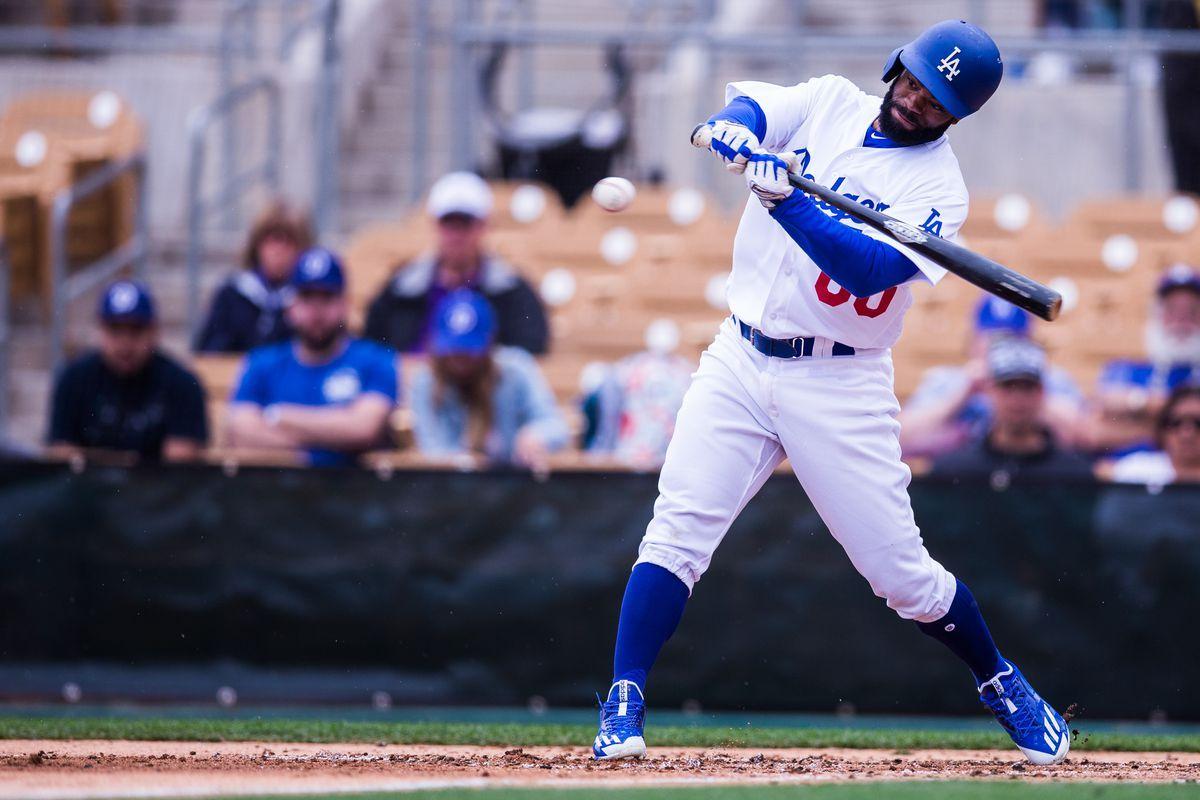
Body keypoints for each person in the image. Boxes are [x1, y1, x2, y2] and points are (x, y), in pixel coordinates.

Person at [592, 21, 1071, 767]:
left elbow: (870, 271)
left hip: (839, 381)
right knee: (678, 530)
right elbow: (753, 109)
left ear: (956, 115)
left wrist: (792, 206)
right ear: (895, 68)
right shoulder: (828, 102)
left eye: (935, 98)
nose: (915, 100)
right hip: (740, 356)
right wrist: (733, 131)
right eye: (912, 81)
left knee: (900, 575)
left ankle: (999, 678)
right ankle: (623, 698)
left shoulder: (937, 189)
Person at [227, 248, 398, 467]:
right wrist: (319, 450)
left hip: (354, 493)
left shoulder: (375, 360)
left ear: (345, 305)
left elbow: (364, 428)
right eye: (307, 297)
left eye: (326, 297)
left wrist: (280, 416)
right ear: (291, 306)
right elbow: (242, 431)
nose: (316, 310)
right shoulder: (262, 363)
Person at [364, 172, 550, 355]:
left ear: (483, 227)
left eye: (465, 224)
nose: (456, 235)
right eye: (449, 224)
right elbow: (373, 345)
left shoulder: (513, 291)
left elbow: (530, 350)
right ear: (435, 226)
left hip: (485, 385)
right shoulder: (400, 288)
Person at [899, 295, 1083, 457]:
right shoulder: (947, 381)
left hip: (1034, 478)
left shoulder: (1050, 378)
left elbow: (1083, 437)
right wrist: (963, 394)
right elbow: (901, 438)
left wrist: (1025, 387)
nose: (999, 348)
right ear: (972, 342)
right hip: (960, 483)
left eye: (1011, 338)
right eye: (992, 339)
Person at [47, 281, 207, 462]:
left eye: (135, 331)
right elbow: (61, 457)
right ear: (100, 331)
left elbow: (180, 467)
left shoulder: (182, 383)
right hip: (91, 488)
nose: (125, 343)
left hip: (159, 489)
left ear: (154, 331)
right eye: (115, 330)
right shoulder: (74, 379)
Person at [409, 289, 567, 471]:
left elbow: (555, 425)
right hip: (451, 490)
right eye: (453, 350)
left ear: (489, 343)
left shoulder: (517, 369)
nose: (460, 359)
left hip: (517, 488)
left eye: (469, 352)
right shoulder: (425, 383)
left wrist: (536, 435)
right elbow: (434, 452)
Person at [930, 338, 1093, 481]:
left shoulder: (1073, 472)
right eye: (1008, 386)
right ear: (989, 390)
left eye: (1027, 387)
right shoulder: (955, 470)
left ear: (1042, 392)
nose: (1017, 398)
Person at [1090, 264, 1200, 453]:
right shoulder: (1126, 370)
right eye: (1172, 310)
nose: (1181, 320)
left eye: (1191, 311)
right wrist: (1148, 405)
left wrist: (1144, 415)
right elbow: (1093, 429)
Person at [194, 201, 312, 353]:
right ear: (256, 245)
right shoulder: (232, 295)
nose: (279, 250)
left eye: (288, 242)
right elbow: (208, 353)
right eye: (271, 241)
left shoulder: (309, 298)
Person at [1102, 384, 1200, 486]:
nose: (1186, 434)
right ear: (1162, 430)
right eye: (1176, 423)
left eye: (1198, 423)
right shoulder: (1136, 472)